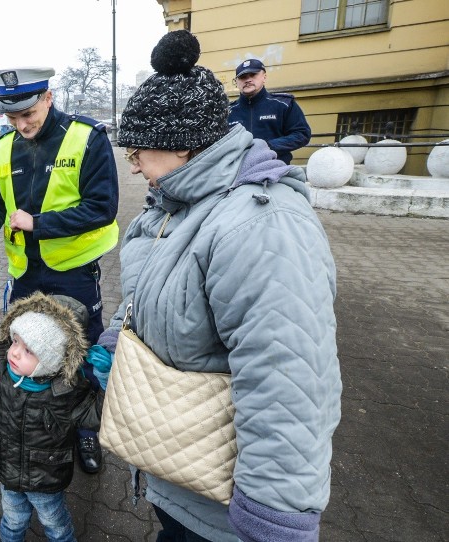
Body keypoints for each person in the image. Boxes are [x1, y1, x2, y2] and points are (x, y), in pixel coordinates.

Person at [99, 31, 342, 542]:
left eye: (139, 151)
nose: (135, 165)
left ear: (183, 145)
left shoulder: (260, 225)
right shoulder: (180, 204)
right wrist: (115, 341)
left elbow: (288, 379)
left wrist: (274, 516)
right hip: (184, 481)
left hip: (227, 512)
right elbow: (153, 291)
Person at [0, 66, 119, 474]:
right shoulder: (4, 147)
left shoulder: (87, 138)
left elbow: (102, 207)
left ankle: (87, 431)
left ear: (48, 98)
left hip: (72, 270)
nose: (21, 125)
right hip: (24, 271)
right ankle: (37, 424)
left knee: (83, 350)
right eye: (12, 118)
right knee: (25, 346)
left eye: (28, 115)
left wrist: (39, 224)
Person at [0, 292, 101, 542]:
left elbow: (96, 416)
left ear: (52, 359)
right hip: (7, 470)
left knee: (55, 523)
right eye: (15, 341)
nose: (15, 353)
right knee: (12, 519)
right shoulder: (1, 373)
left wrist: (106, 382)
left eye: (28, 350)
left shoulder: (68, 393)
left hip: (45, 480)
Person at [227, 58, 311, 164]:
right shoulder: (227, 111)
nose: (248, 80)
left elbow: (302, 134)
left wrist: (267, 146)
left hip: (276, 170)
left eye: (253, 75)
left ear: (264, 77)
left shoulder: (283, 104)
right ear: (237, 82)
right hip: (237, 173)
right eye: (242, 77)